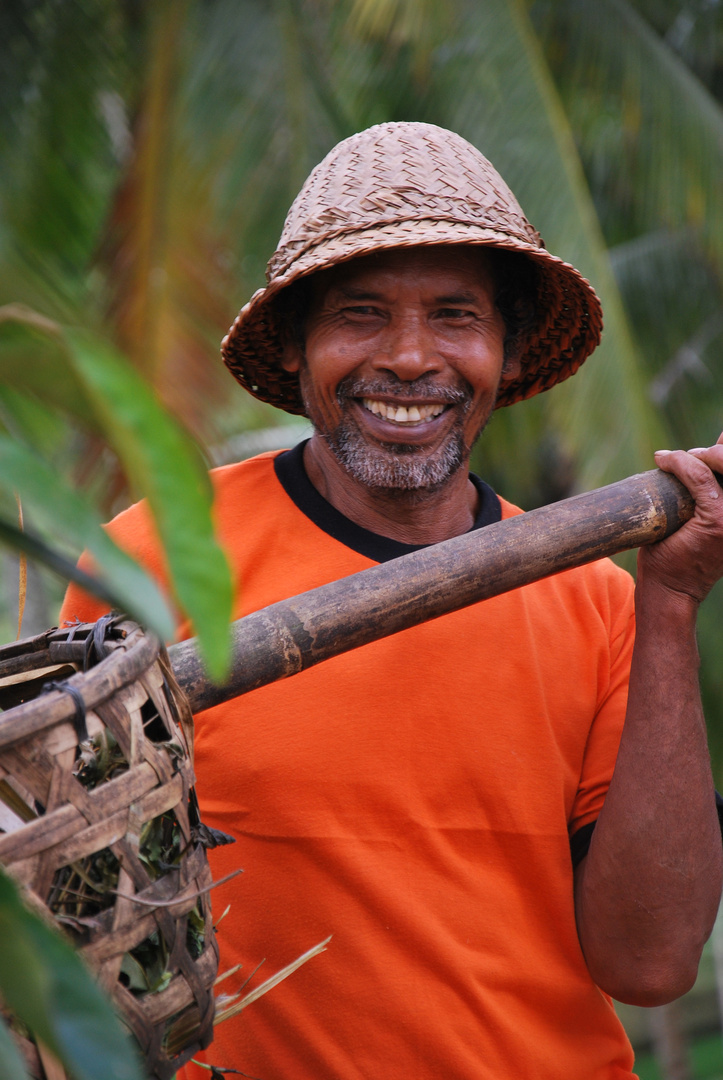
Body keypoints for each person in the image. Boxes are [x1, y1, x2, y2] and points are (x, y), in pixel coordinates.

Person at [60, 122, 723, 1079]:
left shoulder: (600, 602)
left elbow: (651, 962)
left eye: (456, 316)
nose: (411, 359)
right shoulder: (155, 558)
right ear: (295, 348)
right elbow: (75, 891)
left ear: (507, 349)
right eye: (360, 314)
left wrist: (670, 603)